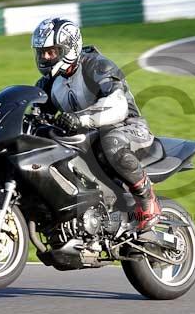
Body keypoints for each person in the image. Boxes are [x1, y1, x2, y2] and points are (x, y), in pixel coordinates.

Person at [31, 17, 161, 231]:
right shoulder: (49, 82)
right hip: (84, 136)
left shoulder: (96, 65)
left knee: (110, 143)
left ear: (69, 48)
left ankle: (147, 200)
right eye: (42, 52)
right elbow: (36, 110)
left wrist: (81, 119)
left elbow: (117, 104)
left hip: (127, 126)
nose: (45, 57)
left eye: (51, 51)